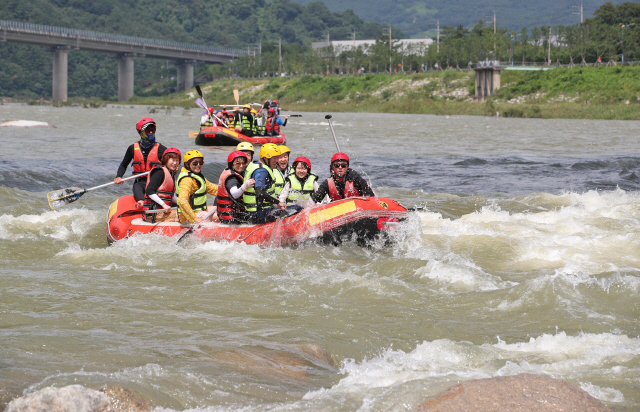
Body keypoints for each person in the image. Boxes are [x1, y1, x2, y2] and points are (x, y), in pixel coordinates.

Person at [114, 118, 167, 208]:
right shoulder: (132, 148)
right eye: (147, 130)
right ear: (140, 132)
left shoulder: (162, 149)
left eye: (152, 130)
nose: (150, 132)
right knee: (137, 187)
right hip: (141, 181)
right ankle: (141, 202)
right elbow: (124, 164)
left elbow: (170, 165)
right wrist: (119, 176)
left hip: (156, 182)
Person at [243, 143, 287, 224]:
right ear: (265, 158)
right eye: (274, 158)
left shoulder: (254, 164)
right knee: (297, 208)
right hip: (259, 214)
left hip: (253, 213)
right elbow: (260, 193)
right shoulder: (262, 171)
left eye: (277, 157)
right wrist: (278, 202)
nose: (277, 160)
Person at [175, 150, 219, 224]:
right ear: (187, 164)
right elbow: (182, 201)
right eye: (195, 163)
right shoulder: (186, 180)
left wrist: (229, 191)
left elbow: (212, 189)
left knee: (224, 210)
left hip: (198, 211)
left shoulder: (196, 176)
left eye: (200, 163)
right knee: (221, 216)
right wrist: (195, 219)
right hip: (189, 216)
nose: (198, 165)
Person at [143, 147, 181, 223]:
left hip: (164, 212)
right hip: (154, 213)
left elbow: (171, 195)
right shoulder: (159, 172)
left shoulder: (171, 175)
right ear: (166, 159)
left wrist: (182, 203)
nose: (175, 163)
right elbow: (149, 191)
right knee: (182, 215)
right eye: (172, 160)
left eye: (177, 160)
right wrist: (164, 205)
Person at [216, 151, 255, 224]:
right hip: (232, 219)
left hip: (232, 215)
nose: (241, 165)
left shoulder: (231, 171)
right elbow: (235, 194)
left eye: (243, 163)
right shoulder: (232, 179)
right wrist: (245, 186)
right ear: (231, 164)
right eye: (238, 163)